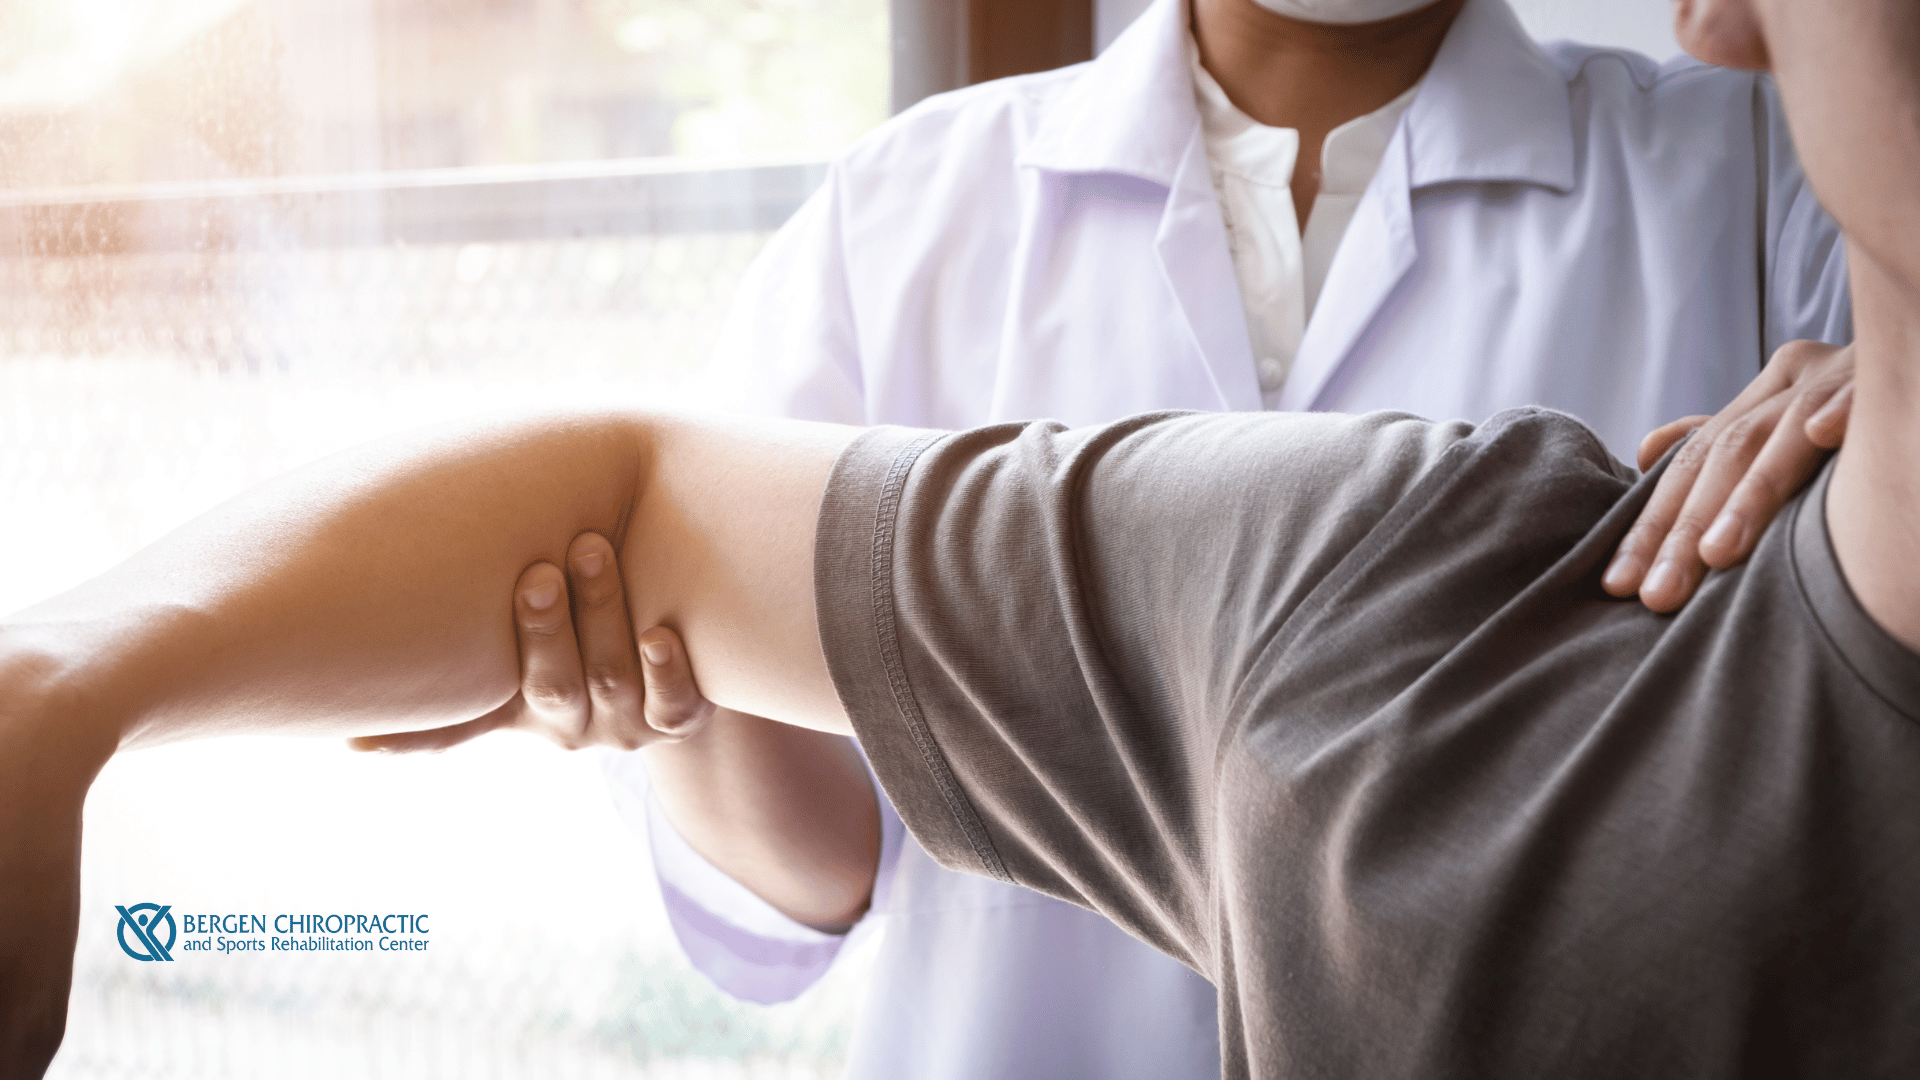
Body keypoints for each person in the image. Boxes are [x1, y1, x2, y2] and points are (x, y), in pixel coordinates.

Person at [2, 5, 1917, 1074]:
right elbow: (800, 852)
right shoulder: (906, 208)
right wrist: (672, 692)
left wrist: (1869, 371)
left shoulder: (1767, 176)